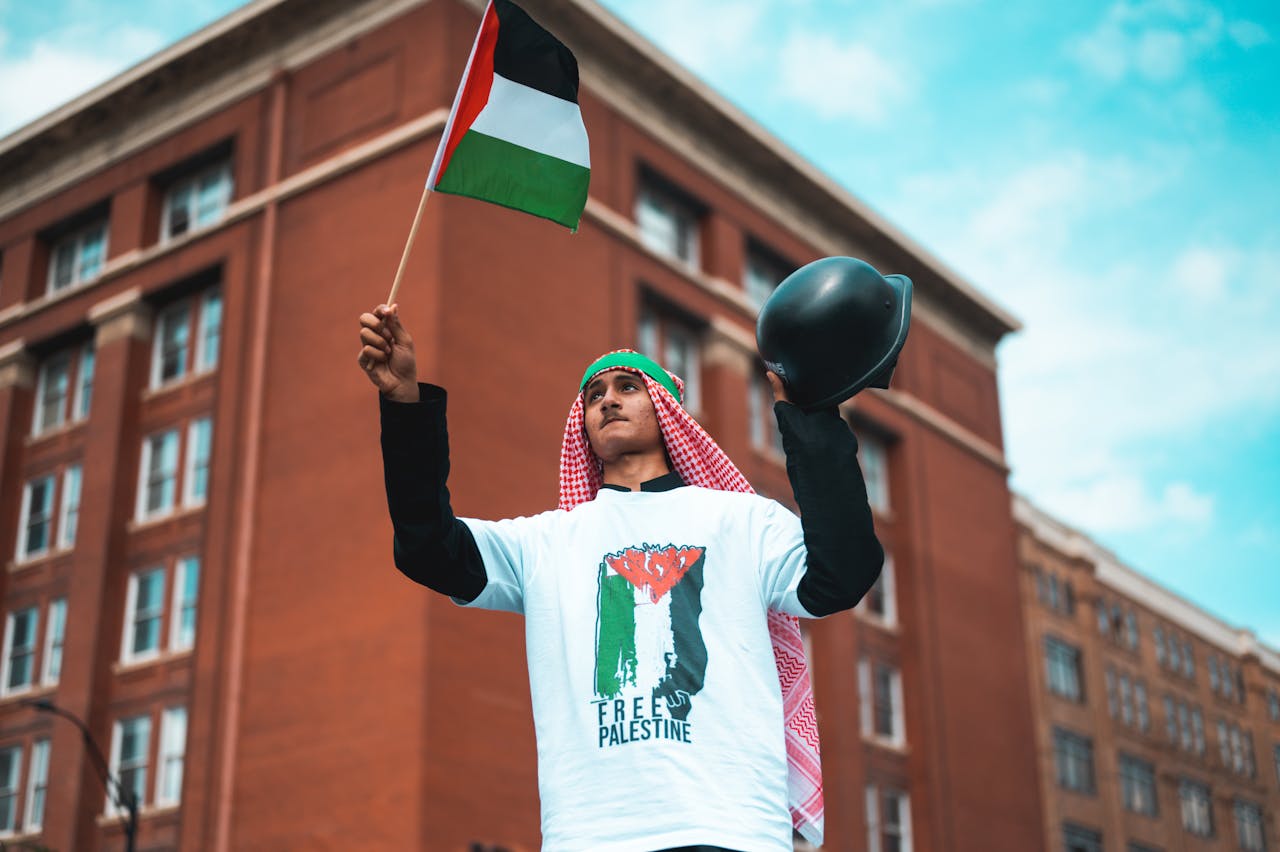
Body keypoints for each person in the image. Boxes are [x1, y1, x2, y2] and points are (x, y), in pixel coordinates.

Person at [358, 302, 884, 852]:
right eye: (594, 394)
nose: (607, 399)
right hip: (589, 835)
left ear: (667, 409)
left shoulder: (742, 521)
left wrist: (812, 422)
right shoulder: (547, 543)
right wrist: (403, 402)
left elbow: (842, 575)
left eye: (628, 386)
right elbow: (428, 549)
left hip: (730, 829)